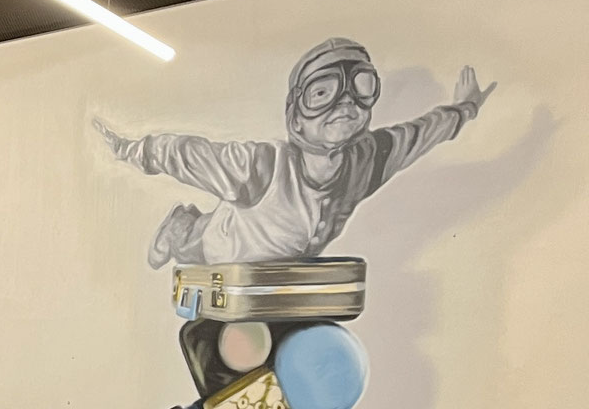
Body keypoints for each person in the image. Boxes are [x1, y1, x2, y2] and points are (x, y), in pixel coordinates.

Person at [96, 39, 496, 267]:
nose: (345, 102)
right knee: (197, 250)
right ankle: (181, 226)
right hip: (224, 250)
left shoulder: (367, 160)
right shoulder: (260, 167)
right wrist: (128, 149)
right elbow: (185, 154)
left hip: (279, 274)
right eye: (323, 92)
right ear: (297, 117)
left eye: (360, 87)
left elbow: (418, 135)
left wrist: (466, 109)